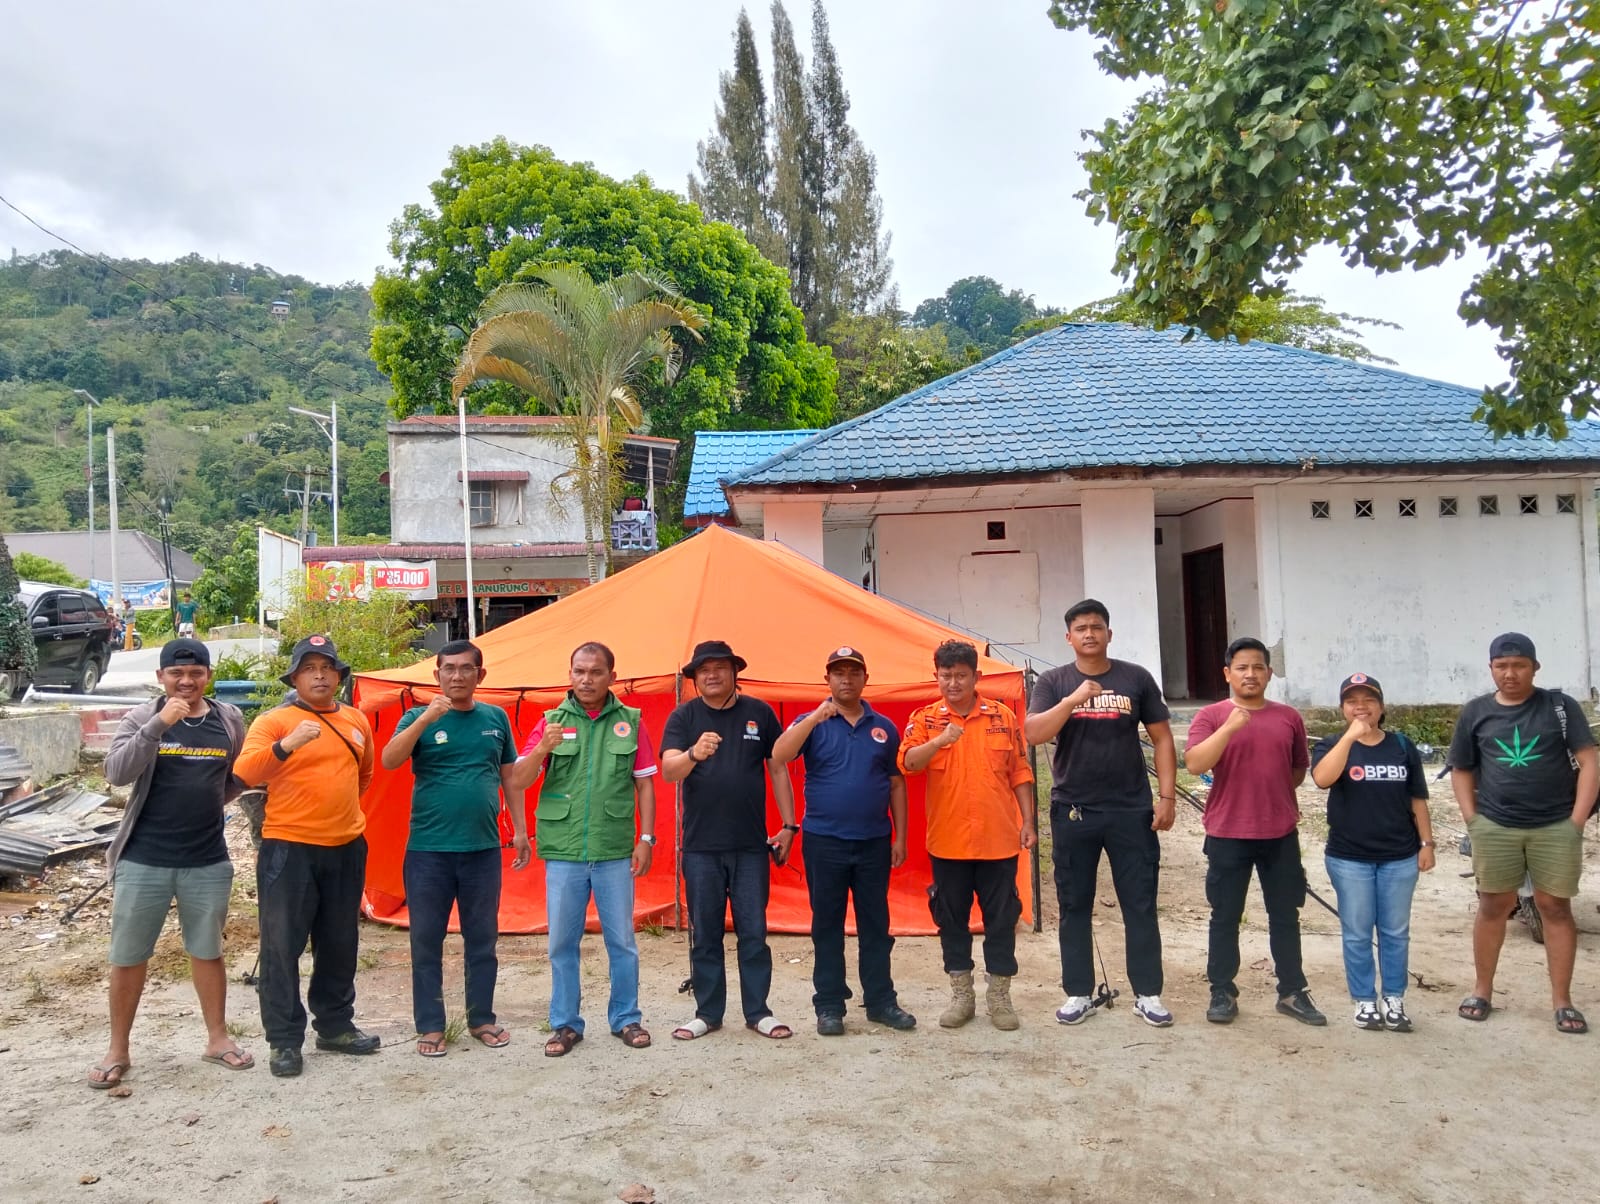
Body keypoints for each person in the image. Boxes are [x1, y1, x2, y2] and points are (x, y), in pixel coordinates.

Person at [89, 638, 252, 1088]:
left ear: (208, 675)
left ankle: (218, 1039)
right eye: (176, 674)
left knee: (208, 951)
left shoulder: (228, 719)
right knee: (128, 956)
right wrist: (158, 726)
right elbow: (117, 773)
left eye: (195, 672)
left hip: (207, 859)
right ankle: (118, 1048)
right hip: (144, 859)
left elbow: (232, 777)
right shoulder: (142, 717)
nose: (186, 681)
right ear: (160, 677)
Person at [1023, 600, 1178, 1028]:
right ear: (1068, 637)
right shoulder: (1055, 681)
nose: (1089, 633)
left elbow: (1163, 739)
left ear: (1110, 634)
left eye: (1097, 627)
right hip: (1073, 808)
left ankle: (1148, 992)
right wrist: (1073, 699)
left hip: (1131, 807)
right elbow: (1034, 733)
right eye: (1081, 628)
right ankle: (1078, 992)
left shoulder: (1136, 679)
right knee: (1074, 903)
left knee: (1140, 903)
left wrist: (1166, 797)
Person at [235, 635, 380, 1077]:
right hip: (289, 849)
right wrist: (288, 744)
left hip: (345, 847)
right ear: (295, 677)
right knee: (281, 948)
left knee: (340, 943)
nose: (319, 674)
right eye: (309, 668)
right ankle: (284, 1041)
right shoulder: (274, 721)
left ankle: (335, 1026)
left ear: (339, 676)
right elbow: (244, 773)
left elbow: (365, 776)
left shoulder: (356, 720)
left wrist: (334, 814)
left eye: (327, 667)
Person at [379, 639, 530, 1057]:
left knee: (482, 938)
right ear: (437, 675)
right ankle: (430, 1026)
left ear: (480, 676)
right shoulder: (417, 716)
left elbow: (510, 778)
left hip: (482, 849)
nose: (457, 676)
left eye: (466, 669)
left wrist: (519, 829)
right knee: (426, 940)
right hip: (429, 850)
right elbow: (390, 760)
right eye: (449, 669)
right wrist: (426, 717)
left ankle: (482, 1018)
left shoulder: (495, 718)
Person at [507, 642, 657, 1056]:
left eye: (595, 672)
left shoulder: (630, 721)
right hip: (564, 851)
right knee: (561, 942)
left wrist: (646, 839)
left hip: (613, 848)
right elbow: (517, 781)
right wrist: (542, 748)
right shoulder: (550, 721)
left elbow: (645, 782)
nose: (586, 679)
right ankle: (565, 1024)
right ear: (569, 674)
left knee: (622, 940)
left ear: (611, 675)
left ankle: (627, 1018)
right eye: (578, 671)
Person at [1449, 633, 1598, 1034]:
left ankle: (1563, 1001)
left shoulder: (1560, 707)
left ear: (1535, 667)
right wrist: (1473, 820)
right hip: (1495, 825)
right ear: (1491, 668)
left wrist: (1577, 821)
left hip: (1555, 825)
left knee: (1556, 907)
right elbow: (1462, 768)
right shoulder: (1476, 712)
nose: (1510, 673)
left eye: (1519, 665)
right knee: (1493, 906)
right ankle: (1482, 990)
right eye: (1502, 666)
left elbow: (1588, 760)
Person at [772, 645, 916, 1036]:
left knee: (876, 924)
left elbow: (896, 783)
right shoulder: (812, 721)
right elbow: (779, 754)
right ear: (827, 679)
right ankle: (830, 1005)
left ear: (865, 679)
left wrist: (900, 836)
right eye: (839, 673)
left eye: (854, 672)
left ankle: (881, 1001)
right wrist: (816, 716)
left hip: (873, 841)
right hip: (825, 841)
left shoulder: (884, 726)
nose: (846, 679)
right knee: (827, 925)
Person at [660, 640, 798, 1041]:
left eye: (720, 667)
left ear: (735, 672)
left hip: (751, 846)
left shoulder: (759, 712)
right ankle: (708, 1013)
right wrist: (694, 754)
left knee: (754, 931)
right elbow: (669, 771)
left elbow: (777, 768)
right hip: (701, 846)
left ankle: (759, 1012)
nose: (712, 675)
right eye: (704, 670)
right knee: (705, 932)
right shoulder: (684, 716)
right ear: (694, 679)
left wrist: (789, 826)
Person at [1184, 637, 1324, 1026]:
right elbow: (1195, 764)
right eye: (1242, 667)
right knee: (1226, 915)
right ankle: (1222, 990)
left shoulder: (1288, 717)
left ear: (1269, 673)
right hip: (1228, 831)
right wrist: (1230, 727)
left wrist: (1272, 798)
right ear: (1228, 674)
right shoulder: (1211, 716)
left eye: (1258, 667)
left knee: (1285, 914)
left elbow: (1297, 770)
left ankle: (1292, 991)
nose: (1250, 674)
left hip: (1280, 833)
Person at [900, 639, 1035, 1031]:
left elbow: (1020, 773)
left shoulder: (1002, 716)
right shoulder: (925, 719)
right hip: (949, 842)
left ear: (977, 676)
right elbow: (908, 763)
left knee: (1001, 918)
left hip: (998, 841)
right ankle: (962, 994)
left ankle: (1000, 996)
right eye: (946, 676)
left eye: (961, 676)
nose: (953, 683)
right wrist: (939, 741)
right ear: (936, 676)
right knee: (951, 918)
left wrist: (1028, 822)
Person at [1311, 674, 1435, 1032]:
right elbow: (1322, 779)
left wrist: (1427, 844)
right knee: (1357, 932)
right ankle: (1365, 1000)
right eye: (1352, 701)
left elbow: (1417, 798)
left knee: (1396, 931)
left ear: (1382, 706)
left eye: (1369, 700)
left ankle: (1394, 998)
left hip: (1400, 856)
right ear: (1342, 708)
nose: (1361, 707)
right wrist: (1351, 738)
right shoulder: (1333, 744)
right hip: (1350, 858)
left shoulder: (1401, 745)